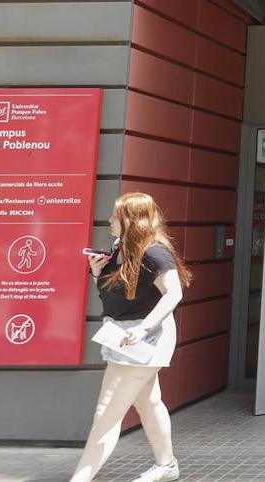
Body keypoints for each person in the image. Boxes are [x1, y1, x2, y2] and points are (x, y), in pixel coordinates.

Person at [71, 192, 192, 482]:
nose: (110, 220)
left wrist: (144, 328)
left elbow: (174, 292)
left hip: (144, 338)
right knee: (148, 402)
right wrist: (96, 271)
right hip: (125, 335)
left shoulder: (154, 252)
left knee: (106, 411)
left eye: (116, 216)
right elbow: (120, 296)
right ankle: (167, 465)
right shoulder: (119, 247)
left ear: (132, 220)